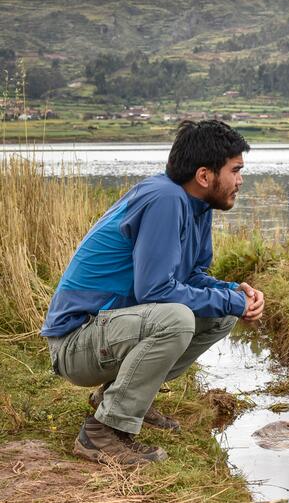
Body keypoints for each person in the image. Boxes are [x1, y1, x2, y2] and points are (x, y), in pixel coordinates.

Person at [41, 120, 264, 464]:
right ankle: (102, 433)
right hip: (76, 341)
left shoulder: (198, 206)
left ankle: (122, 400)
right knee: (175, 319)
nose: (240, 181)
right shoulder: (165, 199)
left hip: (108, 331)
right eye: (235, 171)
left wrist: (235, 293)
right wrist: (230, 298)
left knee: (221, 314)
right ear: (204, 176)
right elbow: (156, 290)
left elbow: (190, 276)